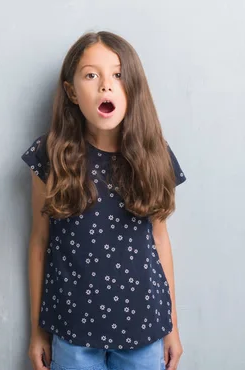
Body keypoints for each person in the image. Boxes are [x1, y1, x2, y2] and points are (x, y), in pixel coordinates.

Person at [21, 31, 187, 370]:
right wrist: (38, 332)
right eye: (91, 75)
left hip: (144, 330)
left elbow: (160, 240)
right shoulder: (50, 156)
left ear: (133, 87)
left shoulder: (154, 156)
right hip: (72, 333)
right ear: (71, 91)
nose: (105, 86)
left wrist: (172, 328)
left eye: (117, 74)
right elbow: (39, 242)